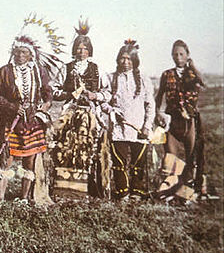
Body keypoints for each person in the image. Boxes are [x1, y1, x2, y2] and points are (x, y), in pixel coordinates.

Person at [0, 20, 57, 204]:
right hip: (11, 120)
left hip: (32, 121)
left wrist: (45, 106)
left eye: (24, 52)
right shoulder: (4, 72)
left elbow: (47, 92)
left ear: (31, 55)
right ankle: (1, 196)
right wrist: (12, 107)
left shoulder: (38, 71)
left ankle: (24, 197)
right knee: (7, 158)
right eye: (17, 52)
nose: (20, 55)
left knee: (29, 160)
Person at [50, 19, 110, 198]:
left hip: (90, 114)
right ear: (74, 49)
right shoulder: (66, 68)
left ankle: (88, 189)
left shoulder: (97, 69)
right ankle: (65, 189)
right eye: (78, 48)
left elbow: (107, 93)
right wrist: (69, 95)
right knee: (66, 149)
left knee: (88, 150)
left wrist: (95, 96)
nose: (82, 52)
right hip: (70, 114)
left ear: (89, 50)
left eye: (85, 48)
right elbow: (54, 90)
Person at [155, 40, 212, 201]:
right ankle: (172, 191)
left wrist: (192, 67)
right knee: (170, 157)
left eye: (181, 54)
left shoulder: (193, 74)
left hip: (190, 120)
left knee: (192, 157)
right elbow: (159, 97)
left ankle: (195, 190)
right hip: (172, 120)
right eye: (175, 54)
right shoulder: (167, 74)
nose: (178, 57)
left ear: (187, 55)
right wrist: (157, 114)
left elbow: (203, 83)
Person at [100, 39, 155, 200]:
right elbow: (103, 101)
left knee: (138, 163)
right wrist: (112, 111)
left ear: (135, 61)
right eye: (122, 58)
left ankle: (137, 193)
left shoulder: (143, 79)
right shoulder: (111, 78)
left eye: (129, 59)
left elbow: (150, 104)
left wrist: (147, 125)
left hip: (139, 128)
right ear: (118, 59)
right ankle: (122, 193)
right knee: (119, 162)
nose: (125, 62)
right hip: (119, 128)